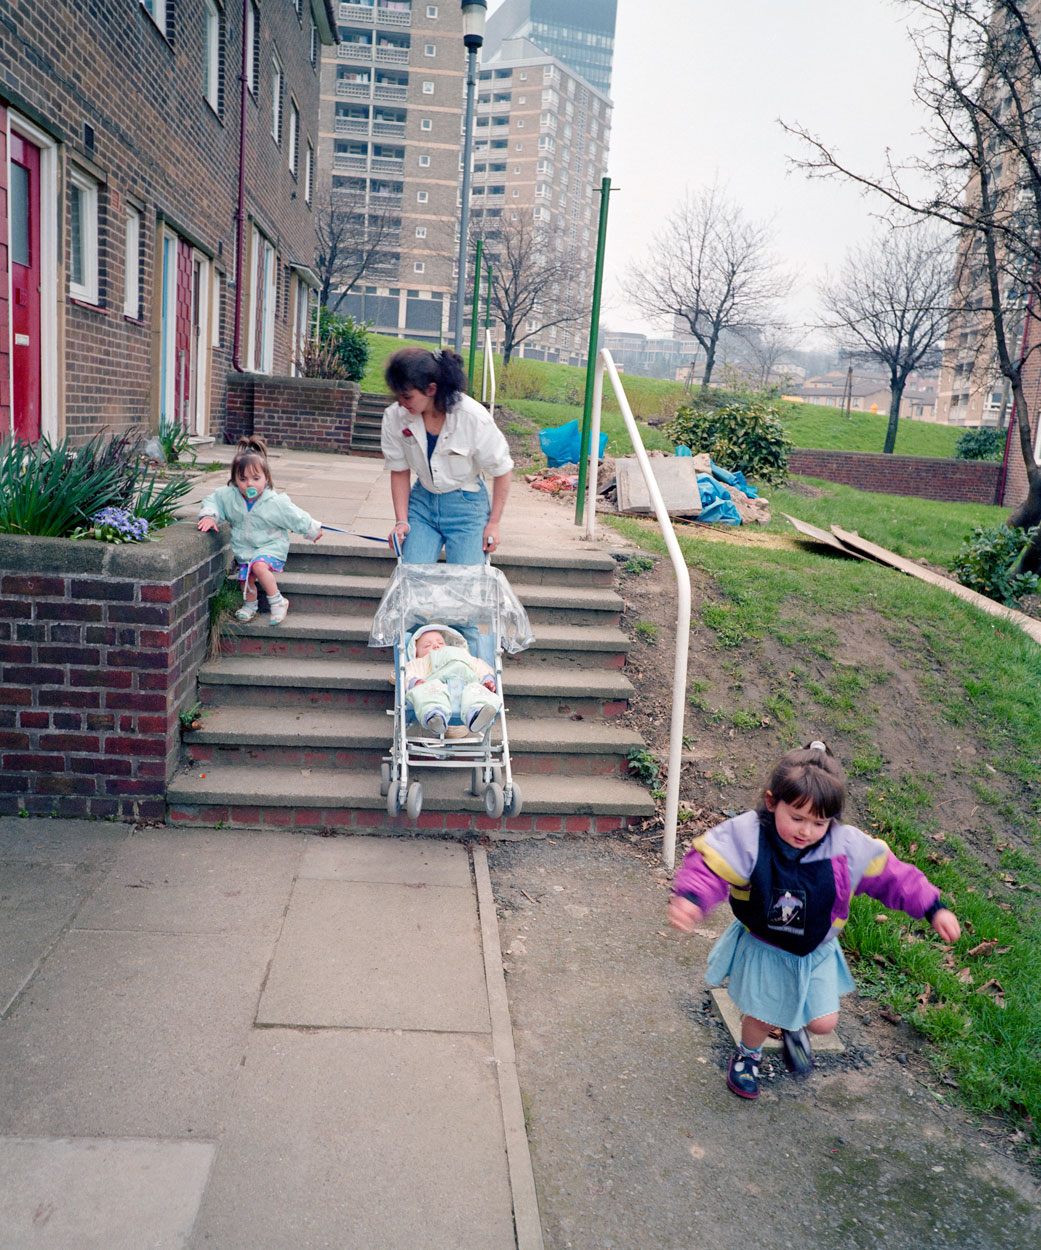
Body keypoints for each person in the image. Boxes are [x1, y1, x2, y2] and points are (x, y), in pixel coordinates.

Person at [668, 741, 961, 1101]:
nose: (806, 831)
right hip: (767, 948)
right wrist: (692, 899)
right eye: (796, 817)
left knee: (824, 1023)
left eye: (819, 822)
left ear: (832, 819)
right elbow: (709, 865)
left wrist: (934, 907)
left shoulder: (847, 847)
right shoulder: (748, 836)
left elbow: (895, 877)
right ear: (773, 801)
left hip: (816, 950)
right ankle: (748, 1055)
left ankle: (794, 1028)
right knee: (761, 1017)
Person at [380, 348, 513, 564]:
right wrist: (401, 521)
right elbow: (399, 471)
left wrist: (494, 524)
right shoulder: (395, 416)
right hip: (422, 504)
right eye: (397, 396)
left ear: (431, 389)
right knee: (413, 577)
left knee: (466, 584)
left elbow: (502, 470)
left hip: (467, 507)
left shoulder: (472, 417)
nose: (401, 403)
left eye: (407, 396)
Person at [197, 435, 322, 626]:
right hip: (245, 549)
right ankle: (250, 606)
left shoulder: (274, 502)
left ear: (266, 478)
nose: (250, 484)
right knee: (246, 580)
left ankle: (278, 601)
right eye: (243, 479)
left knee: (258, 566)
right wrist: (209, 516)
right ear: (234, 480)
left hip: (271, 545)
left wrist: (311, 529)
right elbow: (213, 501)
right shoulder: (229, 497)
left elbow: (294, 515)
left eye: (256, 478)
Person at [403, 624, 501, 738]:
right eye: (427, 646)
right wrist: (414, 681)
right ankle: (434, 715)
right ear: (415, 653)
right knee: (428, 692)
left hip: (467, 684)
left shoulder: (463, 655)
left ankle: (476, 714)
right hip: (438, 686)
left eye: (440, 643)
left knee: (477, 691)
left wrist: (487, 679)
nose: (435, 646)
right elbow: (408, 673)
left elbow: (480, 666)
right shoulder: (421, 662)